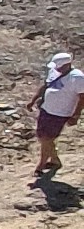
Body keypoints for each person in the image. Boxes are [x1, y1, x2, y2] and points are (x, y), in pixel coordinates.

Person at [38, 54, 84, 187]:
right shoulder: (55, 71)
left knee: (47, 138)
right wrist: (34, 100)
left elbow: (82, 98)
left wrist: (75, 115)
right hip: (46, 109)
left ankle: (41, 164)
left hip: (60, 113)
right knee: (43, 137)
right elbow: (46, 85)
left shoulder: (77, 77)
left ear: (67, 65)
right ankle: (55, 159)